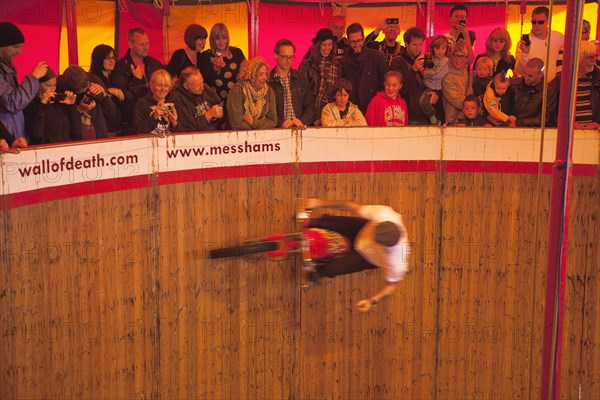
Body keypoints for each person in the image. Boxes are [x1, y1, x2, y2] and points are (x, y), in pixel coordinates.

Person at [303, 198, 409, 313]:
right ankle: (311, 223)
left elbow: (391, 286)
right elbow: (350, 206)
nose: (370, 239)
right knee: (331, 221)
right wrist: (320, 203)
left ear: (385, 247)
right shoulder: (384, 214)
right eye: (373, 232)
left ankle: (319, 272)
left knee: (334, 269)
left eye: (374, 240)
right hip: (360, 229)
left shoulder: (397, 262)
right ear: (379, 223)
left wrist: (372, 301)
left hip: (366, 257)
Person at [0, 21, 49, 143]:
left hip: (16, 138)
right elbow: (12, 103)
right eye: (16, 47)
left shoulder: (7, 69)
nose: (20, 52)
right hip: (6, 141)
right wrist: (33, 78)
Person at [113, 27, 163, 135]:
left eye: (147, 43)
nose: (146, 48)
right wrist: (136, 80)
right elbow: (122, 97)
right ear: (130, 44)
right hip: (132, 122)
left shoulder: (155, 64)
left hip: (157, 116)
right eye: (142, 44)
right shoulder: (120, 67)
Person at [390, 26, 440, 125]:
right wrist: (413, 69)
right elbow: (399, 90)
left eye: (420, 44)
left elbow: (435, 81)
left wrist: (435, 93)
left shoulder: (425, 60)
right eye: (414, 45)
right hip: (409, 114)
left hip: (426, 114)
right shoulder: (397, 62)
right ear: (406, 44)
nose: (418, 48)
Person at [550, 41, 600, 129]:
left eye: (595, 56)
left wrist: (598, 124)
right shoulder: (560, 81)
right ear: (578, 58)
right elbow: (550, 111)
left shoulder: (598, 79)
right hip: (568, 133)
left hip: (595, 133)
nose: (594, 60)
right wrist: (566, 125)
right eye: (590, 57)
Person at [58, 65, 117, 140]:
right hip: (74, 140)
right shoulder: (59, 87)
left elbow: (112, 113)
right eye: (81, 92)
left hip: (99, 136)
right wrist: (79, 109)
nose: (86, 92)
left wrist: (104, 95)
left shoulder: (94, 80)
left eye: (87, 88)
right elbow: (63, 124)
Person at [342, 23, 388, 113]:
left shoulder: (377, 56)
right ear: (348, 41)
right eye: (353, 41)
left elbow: (385, 83)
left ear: (363, 39)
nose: (356, 44)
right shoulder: (344, 60)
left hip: (373, 107)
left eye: (359, 40)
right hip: (352, 109)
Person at [268, 39, 315, 128]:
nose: (288, 60)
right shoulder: (268, 80)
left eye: (291, 57)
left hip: (299, 127)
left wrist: (302, 121)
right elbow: (265, 111)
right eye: (285, 57)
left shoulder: (301, 77)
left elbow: (311, 106)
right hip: (277, 130)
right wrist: (280, 123)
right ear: (276, 55)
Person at [24, 68, 77, 144]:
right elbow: (37, 135)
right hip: (46, 151)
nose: (52, 89)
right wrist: (42, 105)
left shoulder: (60, 103)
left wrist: (72, 106)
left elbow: (77, 133)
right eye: (48, 85)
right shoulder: (30, 104)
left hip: (67, 148)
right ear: (38, 84)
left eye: (54, 85)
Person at [198, 23, 246, 103]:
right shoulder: (206, 56)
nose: (221, 42)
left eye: (224, 38)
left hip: (236, 100)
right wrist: (215, 69)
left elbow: (246, 73)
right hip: (215, 102)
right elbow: (204, 82)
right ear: (212, 40)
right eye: (217, 39)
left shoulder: (237, 53)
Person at [299, 28, 341, 120]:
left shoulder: (337, 64)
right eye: (324, 45)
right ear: (318, 46)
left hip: (331, 110)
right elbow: (302, 90)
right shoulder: (307, 64)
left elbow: (338, 89)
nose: (327, 48)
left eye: (329, 45)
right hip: (311, 109)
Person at [226, 57, 277, 130]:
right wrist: (260, 127)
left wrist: (254, 123)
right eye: (261, 74)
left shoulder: (269, 91)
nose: (265, 78)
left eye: (266, 74)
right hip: (238, 138)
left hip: (263, 138)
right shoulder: (237, 90)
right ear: (251, 75)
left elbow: (272, 121)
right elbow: (236, 124)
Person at [515, 6, 564, 82]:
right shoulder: (523, 43)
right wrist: (525, 54)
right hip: (533, 89)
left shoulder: (559, 37)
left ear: (548, 22)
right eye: (534, 22)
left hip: (553, 87)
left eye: (540, 22)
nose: (536, 25)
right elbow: (519, 71)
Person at [504, 58, 557, 127]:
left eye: (530, 76)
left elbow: (545, 118)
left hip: (534, 130)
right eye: (525, 73)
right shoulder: (513, 85)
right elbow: (503, 106)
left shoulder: (549, 91)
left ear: (540, 75)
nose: (526, 77)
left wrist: (519, 123)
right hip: (510, 124)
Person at [170, 66, 223, 132]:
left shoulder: (205, 88)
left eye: (202, 82)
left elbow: (220, 103)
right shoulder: (176, 98)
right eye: (198, 85)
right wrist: (208, 115)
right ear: (186, 86)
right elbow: (187, 126)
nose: (202, 87)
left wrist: (217, 113)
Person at [89, 44, 123, 134]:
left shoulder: (114, 77)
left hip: (117, 128)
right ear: (99, 60)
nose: (112, 61)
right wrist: (108, 91)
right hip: (105, 131)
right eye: (108, 58)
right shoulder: (94, 79)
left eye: (113, 58)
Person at [132, 69, 179, 135]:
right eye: (159, 85)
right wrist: (154, 117)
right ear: (152, 85)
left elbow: (182, 133)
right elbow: (137, 130)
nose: (163, 89)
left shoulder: (173, 103)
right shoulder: (142, 103)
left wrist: (175, 124)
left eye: (166, 86)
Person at [420, 35, 449, 125]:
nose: (440, 51)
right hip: (427, 86)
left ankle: (435, 121)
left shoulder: (445, 60)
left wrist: (424, 72)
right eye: (437, 48)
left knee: (423, 102)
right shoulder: (431, 58)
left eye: (443, 48)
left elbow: (437, 74)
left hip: (435, 88)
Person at [441, 44, 472, 125]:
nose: (458, 59)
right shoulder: (447, 76)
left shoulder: (470, 75)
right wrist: (477, 107)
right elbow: (457, 100)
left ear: (466, 58)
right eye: (455, 55)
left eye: (462, 56)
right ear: (451, 56)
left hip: (469, 121)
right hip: (454, 122)